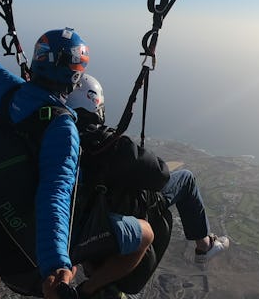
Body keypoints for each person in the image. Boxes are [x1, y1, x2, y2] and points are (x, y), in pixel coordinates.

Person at [0, 0, 153, 299]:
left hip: (1, 236)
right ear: (74, 76)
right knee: (145, 233)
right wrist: (55, 268)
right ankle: (91, 288)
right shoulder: (62, 126)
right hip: (35, 259)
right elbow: (55, 193)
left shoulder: (9, 93)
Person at [66, 75, 230, 266]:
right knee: (186, 179)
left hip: (82, 222)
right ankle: (205, 246)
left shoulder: (59, 139)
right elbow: (160, 175)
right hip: (120, 212)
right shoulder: (108, 145)